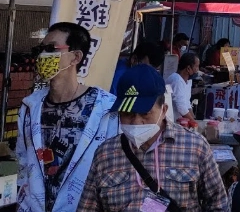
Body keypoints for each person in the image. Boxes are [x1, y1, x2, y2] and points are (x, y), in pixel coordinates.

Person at [77, 64, 228, 211]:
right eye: (128, 114)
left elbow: (218, 204)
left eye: (145, 114)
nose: (136, 122)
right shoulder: (105, 154)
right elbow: (87, 207)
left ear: (164, 110)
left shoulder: (195, 147)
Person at [17, 22, 119, 212]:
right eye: (39, 49)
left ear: (76, 57)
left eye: (51, 49)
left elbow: (114, 169)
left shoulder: (106, 108)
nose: (42, 55)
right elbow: (23, 162)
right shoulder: (29, 107)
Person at [167, 52, 199, 121]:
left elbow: (187, 103)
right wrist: (194, 123)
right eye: (196, 66)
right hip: (172, 120)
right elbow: (181, 107)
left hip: (180, 120)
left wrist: (194, 119)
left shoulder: (188, 81)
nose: (197, 70)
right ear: (188, 68)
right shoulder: (176, 80)